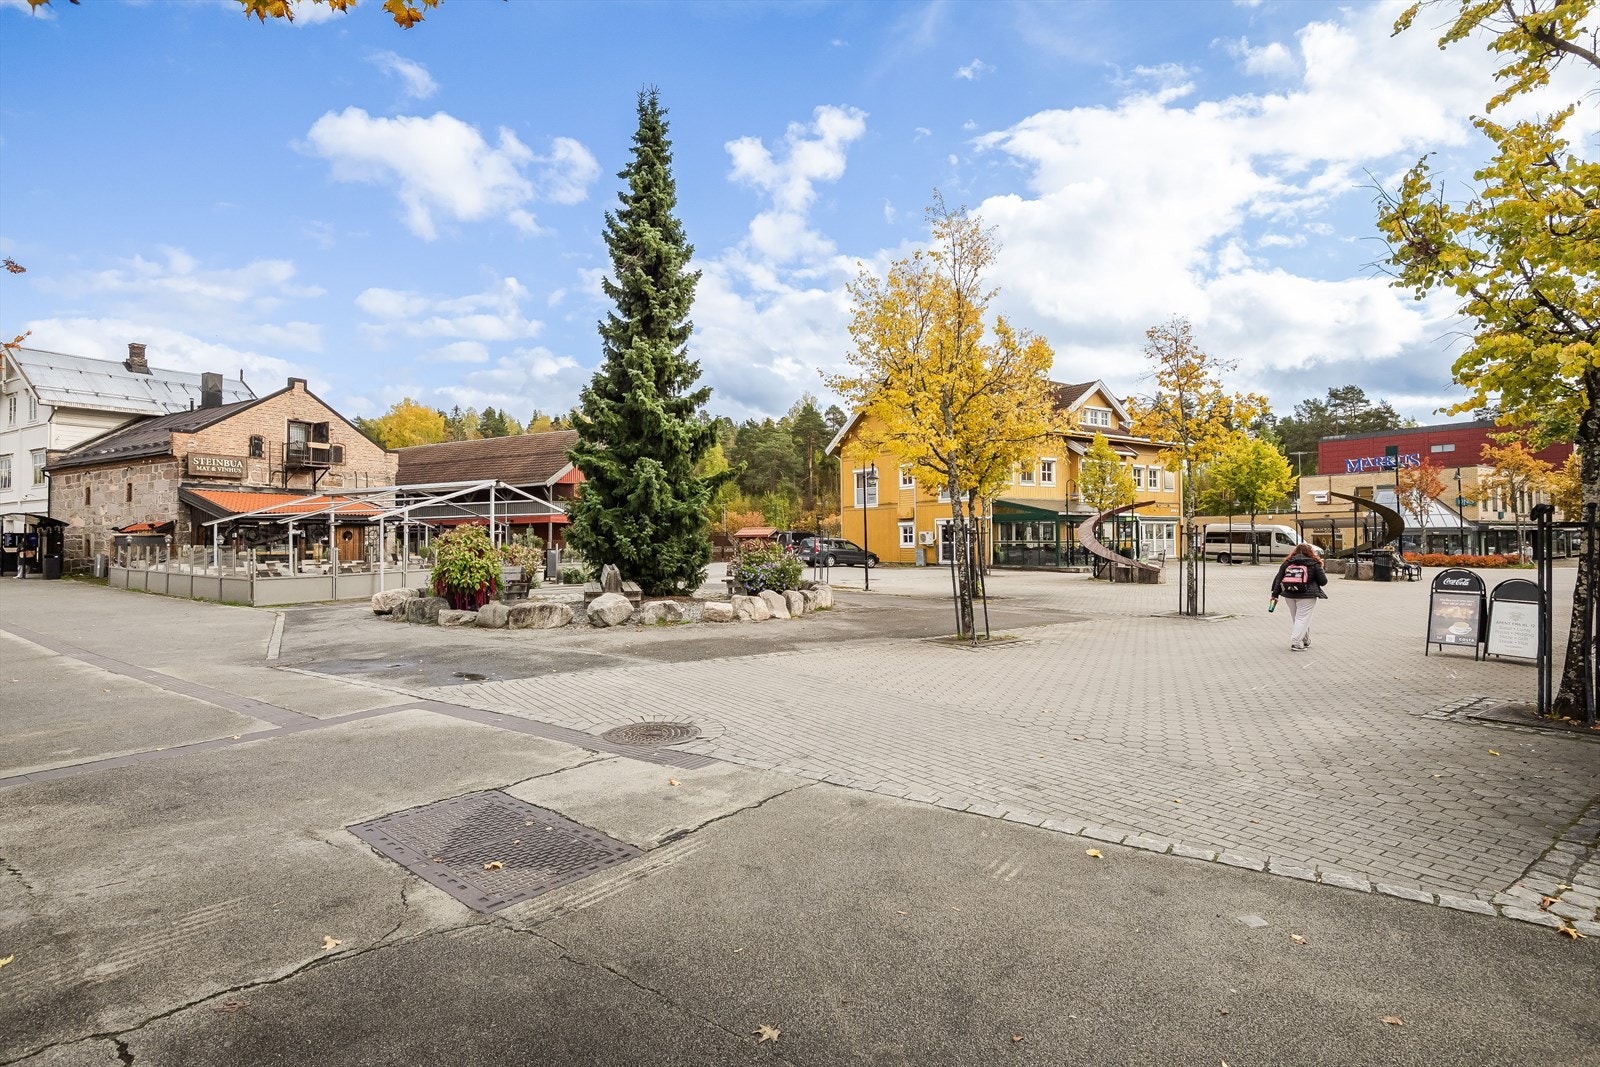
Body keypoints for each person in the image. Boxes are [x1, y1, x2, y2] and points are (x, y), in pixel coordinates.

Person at [1270, 542, 1327, 651]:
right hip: (1307, 596)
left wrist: (1274, 595)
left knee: (1298, 619)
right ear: (1310, 552)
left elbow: (1278, 579)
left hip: (1289, 595)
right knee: (1302, 618)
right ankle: (1296, 642)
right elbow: (1323, 581)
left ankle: (1305, 640)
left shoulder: (1287, 563)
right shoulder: (1314, 563)